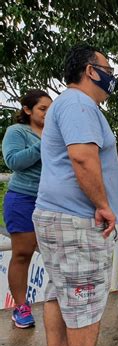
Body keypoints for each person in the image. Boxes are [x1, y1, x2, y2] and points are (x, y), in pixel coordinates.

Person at [32, 44, 118, 346]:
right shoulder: (79, 103)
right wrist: (103, 205)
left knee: (60, 293)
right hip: (78, 221)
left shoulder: (67, 104)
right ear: (90, 71)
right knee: (84, 303)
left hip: (61, 218)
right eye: (108, 71)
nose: (112, 78)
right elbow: (82, 158)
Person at [2, 89, 52, 328]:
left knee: (55, 254)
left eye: (50, 109)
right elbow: (13, 161)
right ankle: (21, 307)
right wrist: (43, 144)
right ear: (27, 109)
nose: (47, 113)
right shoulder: (17, 131)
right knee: (22, 253)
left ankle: (59, 304)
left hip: (52, 200)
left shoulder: (56, 132)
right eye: (43, 109)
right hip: (22, 198)